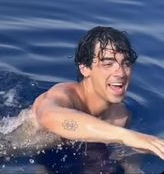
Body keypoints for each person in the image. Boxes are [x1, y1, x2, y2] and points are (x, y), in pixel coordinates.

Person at [31, 26, 164, 160]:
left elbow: (125, 158)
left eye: (126, 63)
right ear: (85, 69)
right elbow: (48, 117)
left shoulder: (121, 116)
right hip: (24, 152)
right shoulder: (64, 95)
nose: (121, 73)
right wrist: (126, 136)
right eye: (108, 64)